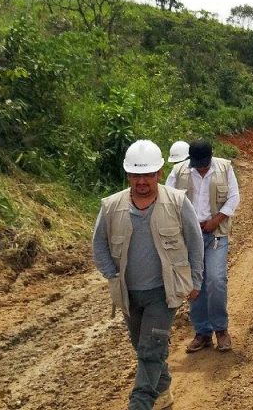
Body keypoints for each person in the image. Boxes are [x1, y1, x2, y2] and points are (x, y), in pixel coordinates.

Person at [92, 140, 204, 410]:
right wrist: (111, 274)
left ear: (159, 174)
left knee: (151, 348)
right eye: (135, 175)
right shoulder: (111, 206)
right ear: (128, 175)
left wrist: (196, 279)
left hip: (163, 292)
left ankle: (139, 403)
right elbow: (99, 244)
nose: (141, 181)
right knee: (142, 346)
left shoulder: (177, 202)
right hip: (129, 293)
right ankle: (163, 389)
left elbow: (195, 240)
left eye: (148, 175)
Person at [168, 139, 240, 353]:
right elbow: (168, 198)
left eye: (204, 164)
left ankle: (221, 330)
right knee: (195, 284)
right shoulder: (179, 171)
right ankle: (202, 332)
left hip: (216, 233)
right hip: (190, 236)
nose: (200, 168)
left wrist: (215, 221)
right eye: (197, 163)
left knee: (216, 280)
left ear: (211, 157)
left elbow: (234, 197)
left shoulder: (225, 168)